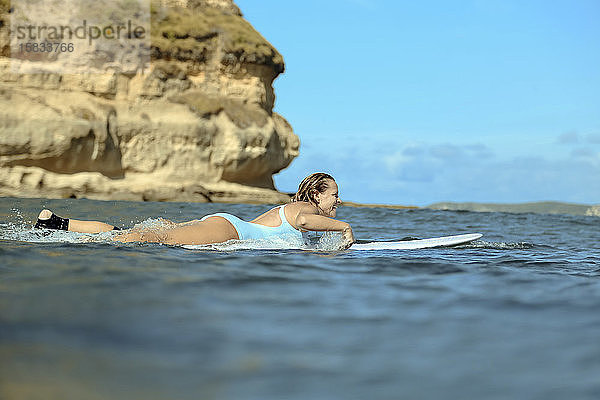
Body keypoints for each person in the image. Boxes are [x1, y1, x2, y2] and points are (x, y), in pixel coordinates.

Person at [34, 173, 356, 249]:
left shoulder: (300, 206)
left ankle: (58, 224)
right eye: (334, 196)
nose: (337, 202)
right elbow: (304, 220)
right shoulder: (303, 207)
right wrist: (344, 229)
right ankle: (68, 233)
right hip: (230, 230)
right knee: (145, 238)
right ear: (316, 194)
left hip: (224, 224)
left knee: (137, 233)